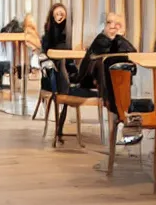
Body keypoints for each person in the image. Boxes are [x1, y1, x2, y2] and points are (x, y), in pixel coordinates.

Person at [54, 12, 137, 141]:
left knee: (119, 68)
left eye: (117, 24)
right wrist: (118, 38)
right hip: (88, 80)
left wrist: (119, 37)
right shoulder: (101, 40)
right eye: (109, 23)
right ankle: (121, 113)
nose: (112, 27)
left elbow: (132, 53)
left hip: (107, 83)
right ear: (104, 26)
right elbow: (105, 53)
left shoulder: (118, 42)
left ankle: (121, 113)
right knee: (107, 65)